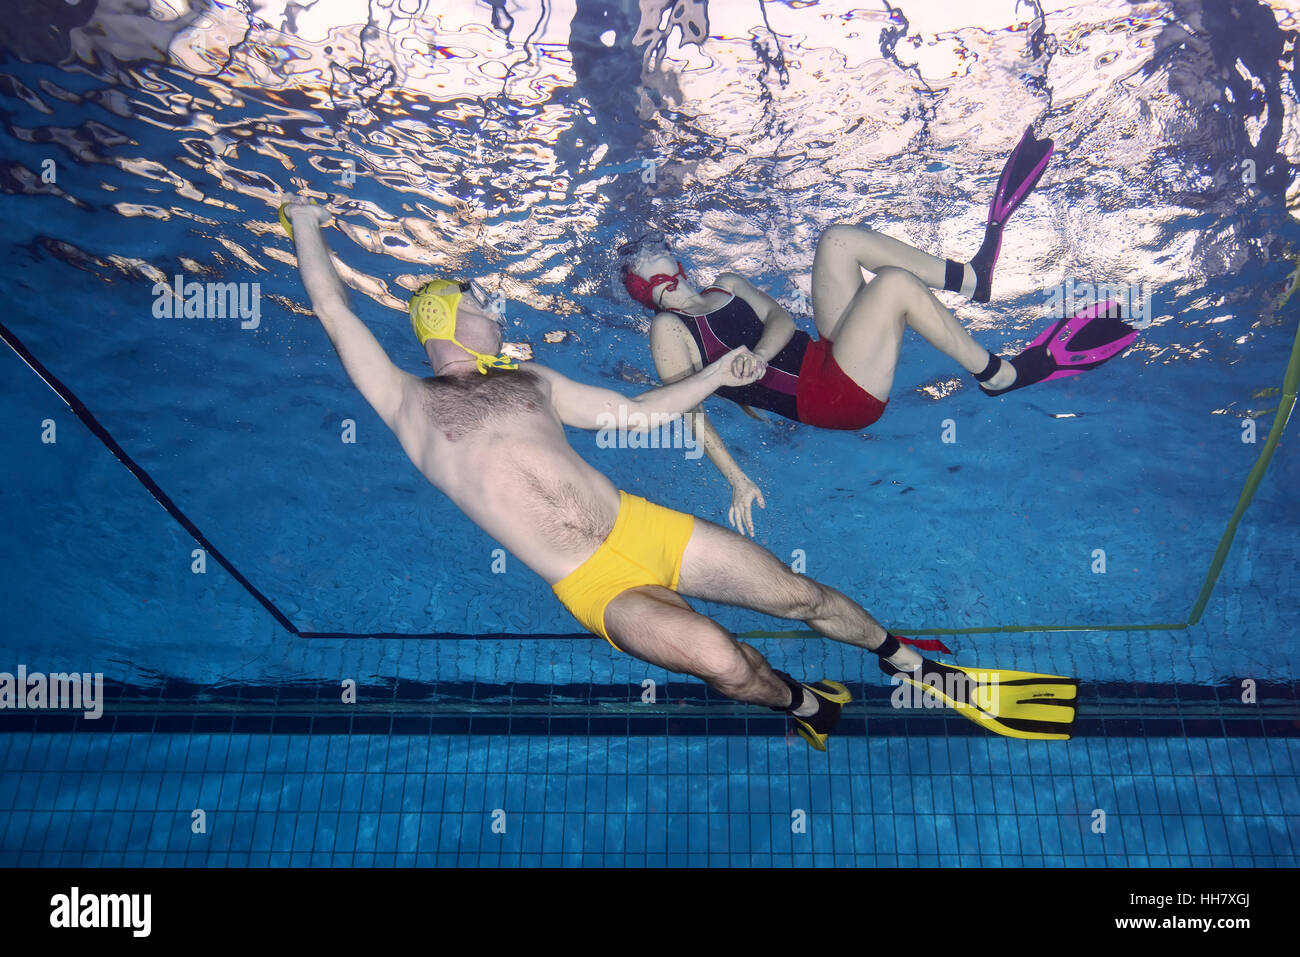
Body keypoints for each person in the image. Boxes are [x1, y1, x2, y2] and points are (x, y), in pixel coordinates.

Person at [279, 198, 1078, 746]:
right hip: (594, 585)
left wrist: (716, 375)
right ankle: (802, 701)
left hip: (643, 526)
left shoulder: (532, 382)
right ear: (447, 318)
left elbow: (639, 413)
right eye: (482, 302)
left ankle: (909, 660)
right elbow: (333, 309)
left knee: (800, 594)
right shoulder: (403, 399)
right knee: (726, 663)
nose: (497, 310)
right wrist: (308, 225)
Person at [626, 127, 1137, 536]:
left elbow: (782, 320)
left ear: (674, 258)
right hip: (831, 397)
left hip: (828, 352)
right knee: (892, 286)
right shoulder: (668, 328)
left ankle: (972, 278)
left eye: (656, 251)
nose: (654, 258)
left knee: (839, 240)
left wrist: (759, 354)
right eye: (643, 264)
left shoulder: (728, 283)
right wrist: (737, 481)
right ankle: (997, 374)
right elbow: (686, 412)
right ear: (642, 287)